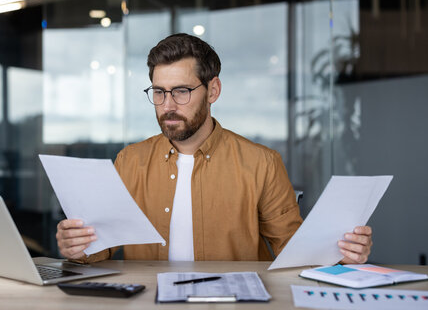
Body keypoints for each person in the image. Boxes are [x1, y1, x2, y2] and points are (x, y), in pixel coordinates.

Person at [56, 33, 372, 264]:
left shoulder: (261, 163)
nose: (167, 106)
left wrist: (344, 253)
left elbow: (297, 251)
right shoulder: (129, 161)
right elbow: (100, 249)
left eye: (181, 91)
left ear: (213, 90)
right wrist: (77, 246)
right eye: (158, 92)